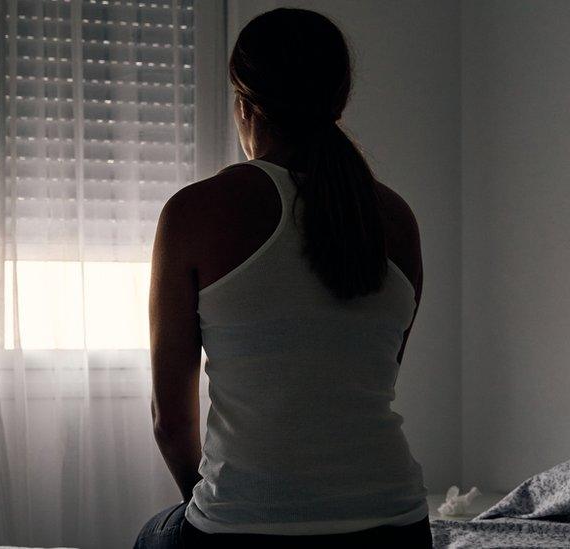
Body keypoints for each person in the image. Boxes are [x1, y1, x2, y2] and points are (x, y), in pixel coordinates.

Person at [134, 7, 432, 549]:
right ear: (338, 101)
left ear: (243, 102)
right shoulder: (396, 218)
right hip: (398, 525)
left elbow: (169, 422)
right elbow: (364, 380)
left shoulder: (195, 213)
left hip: (244, 528)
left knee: (150, 537)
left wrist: (217, 507)